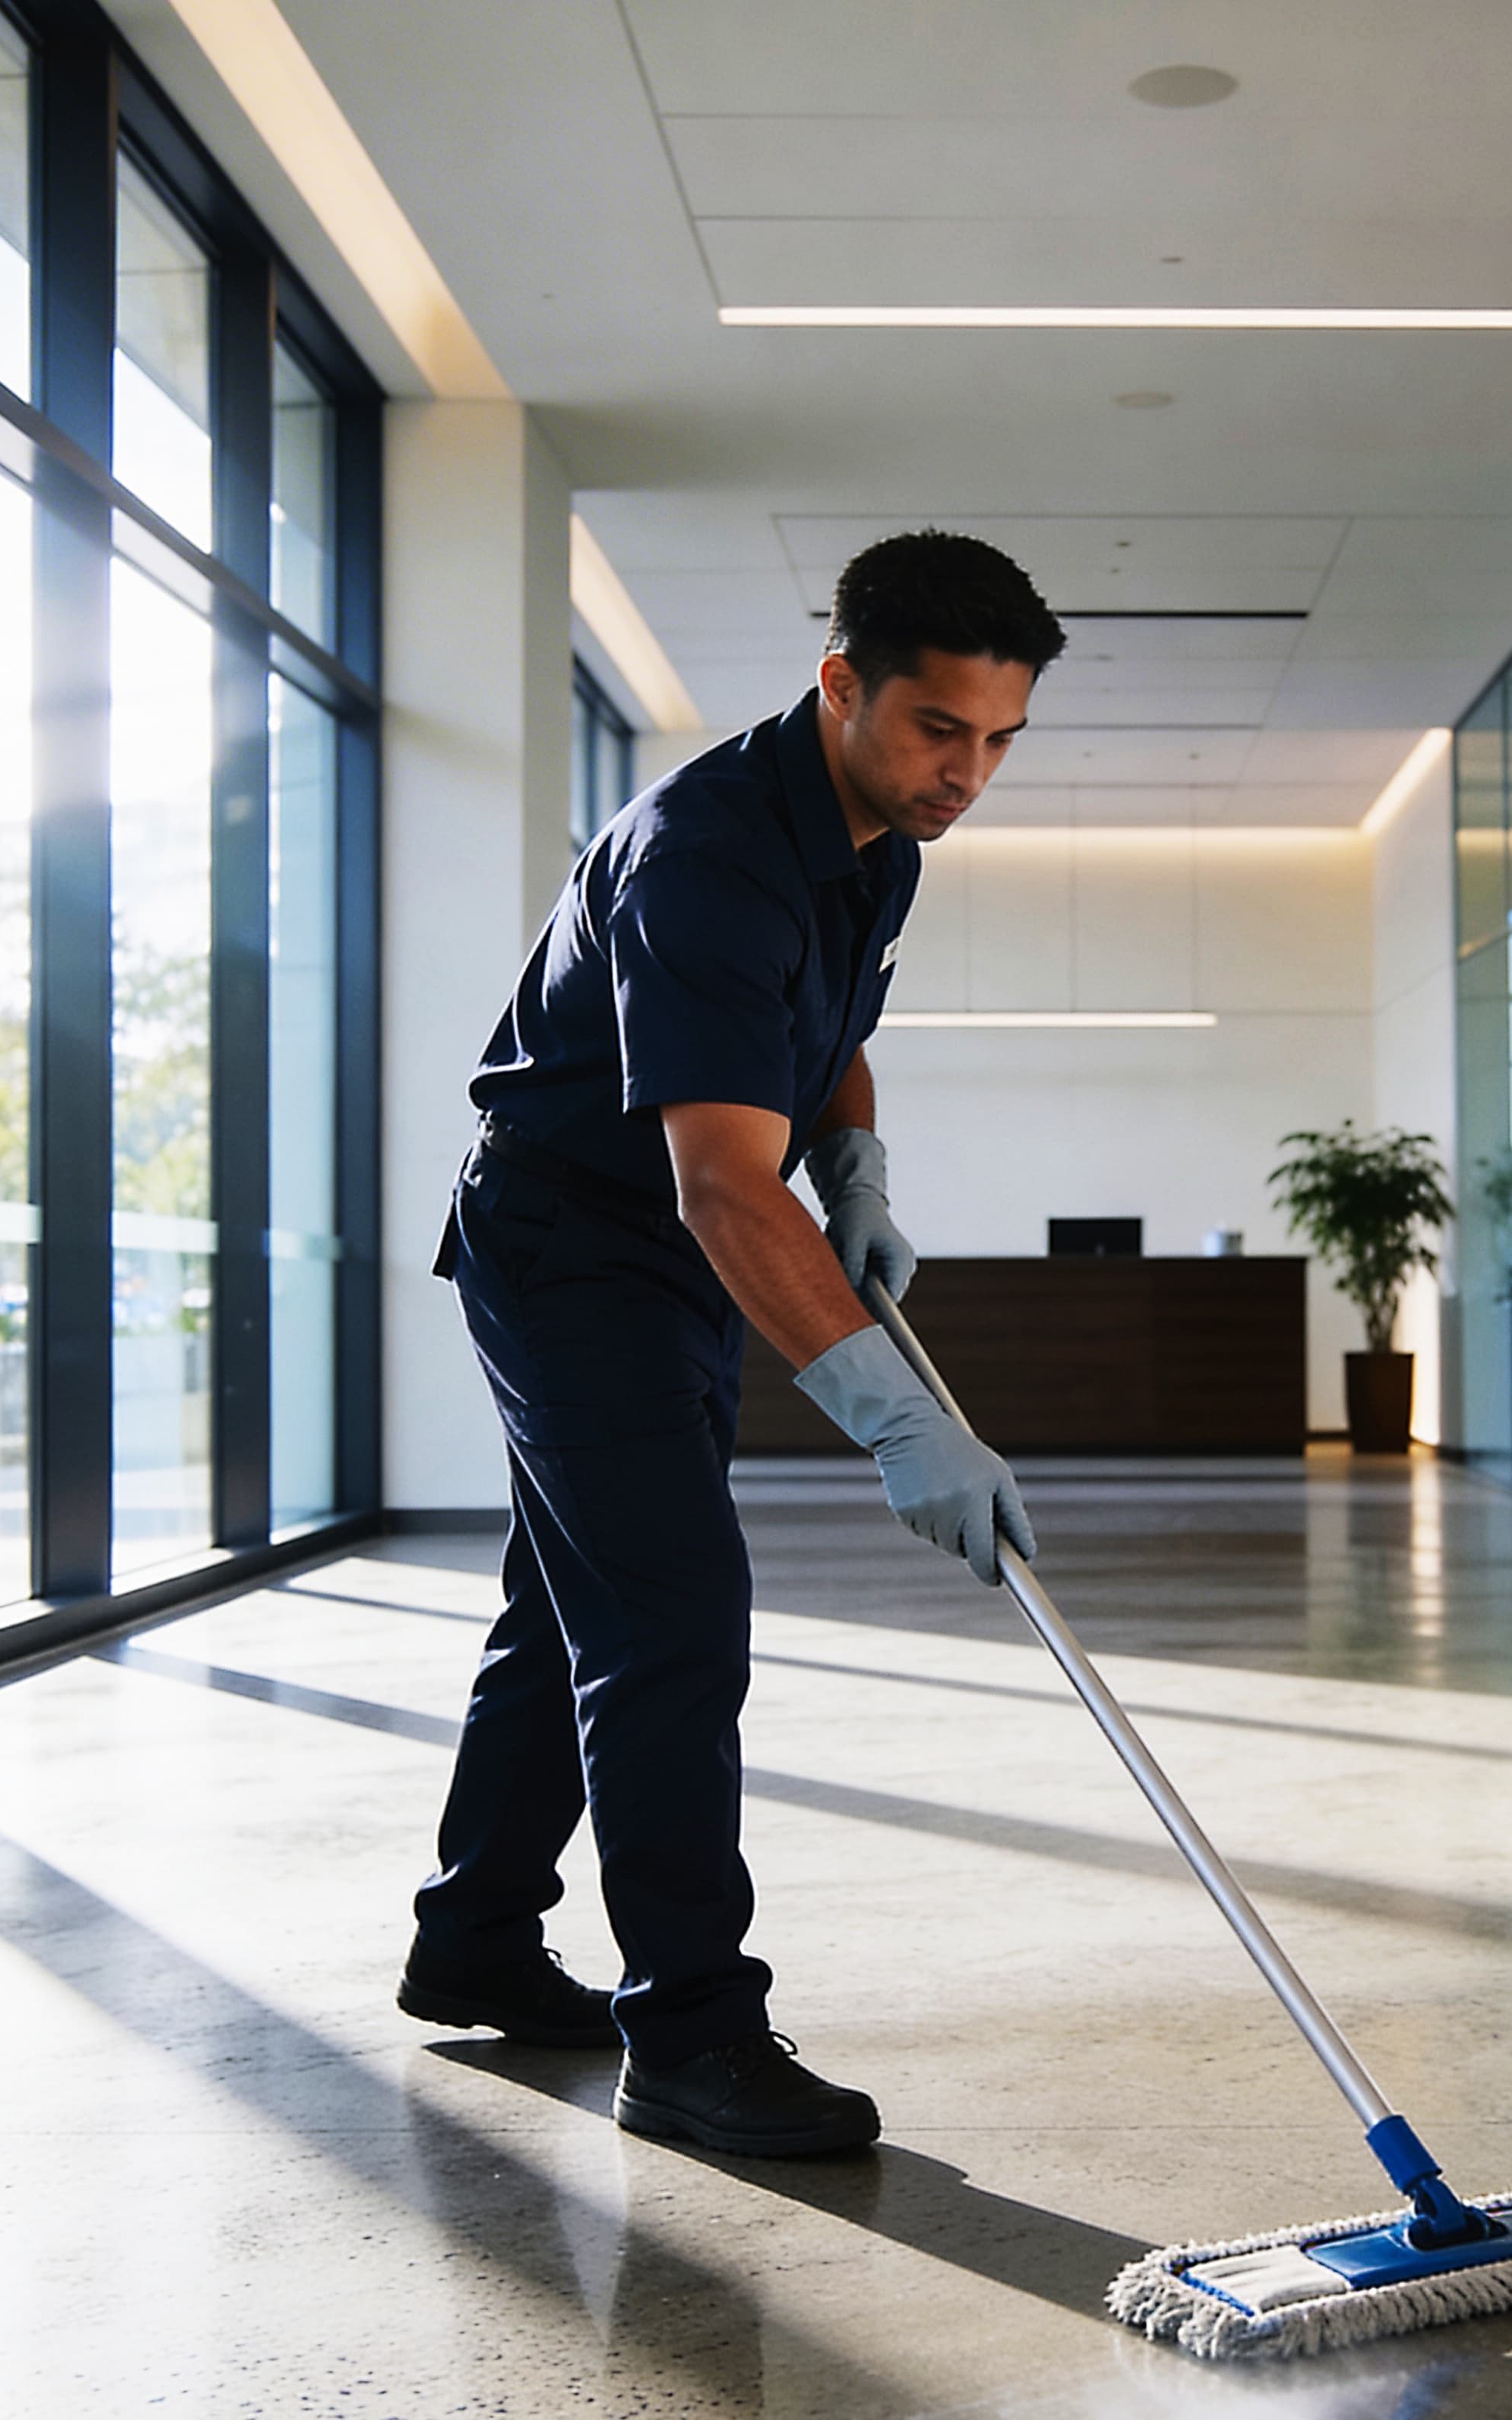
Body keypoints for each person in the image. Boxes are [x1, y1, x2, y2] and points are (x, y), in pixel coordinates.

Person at [399, 528, 1065, 2156]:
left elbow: (822, 1033)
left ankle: (476, 1939)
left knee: (577, 1604)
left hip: (665, 1242)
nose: (967, 775)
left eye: (999, 742)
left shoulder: (880, 837)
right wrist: (900, 1421)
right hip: (576, 1245)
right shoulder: (705, 851)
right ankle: (691, 2038)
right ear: (842, 682)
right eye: (938, 731)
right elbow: (713, 1184)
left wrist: (856, 1161)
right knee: (674, 1619)